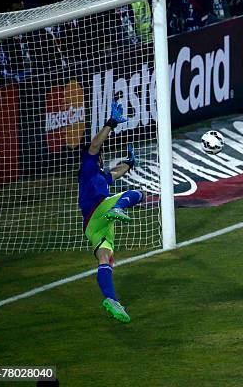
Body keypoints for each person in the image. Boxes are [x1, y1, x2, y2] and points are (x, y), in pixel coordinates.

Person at [78, 100, 144, 323]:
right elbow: (95, 146)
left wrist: (130, 163)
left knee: (105, 259)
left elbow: (116, 173)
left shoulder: (101, 177)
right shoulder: (88, 168)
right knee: (137, 194)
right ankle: (118, 207)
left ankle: (111, 300)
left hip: (93, 226)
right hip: (99, 209)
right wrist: (111, 123)